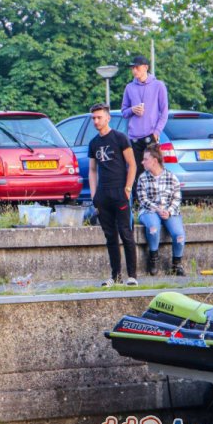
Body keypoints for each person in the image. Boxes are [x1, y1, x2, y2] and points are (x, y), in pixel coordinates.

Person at [87, 103, 138, 287]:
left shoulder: (120, 138)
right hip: (103, 195)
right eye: (93, 118)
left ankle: (132, 276)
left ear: (107, 118)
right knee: (110, 236)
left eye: (99, 117)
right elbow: (92, 170)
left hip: (120, 192)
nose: (96, 121)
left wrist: (128, 188)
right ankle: (115, 276)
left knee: (126, 233)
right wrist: (94, 195)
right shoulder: (93, 143)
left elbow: (132, 164)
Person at [120, 55, 168, 192]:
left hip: (150, 136)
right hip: (134, 138)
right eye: (132, 68)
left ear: (146, 67)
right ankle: (138, 201)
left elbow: (164, 112)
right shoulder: (129, 87)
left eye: (137, 67)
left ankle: (158, 198)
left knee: (154, 170)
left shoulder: (158, 85)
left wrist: (156, 132)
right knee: (136, 172)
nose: (134, 71)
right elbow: (124, 112)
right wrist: (132, 110)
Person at [136, 144, 186, 276]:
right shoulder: (142, 178)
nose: (142, 162)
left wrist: (169, 211)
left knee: (179, 234)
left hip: (169, 211)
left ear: (154, 161)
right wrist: (157, 209)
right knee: (153, 228)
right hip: (150, 211)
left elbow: (177, 198)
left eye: (145, 159)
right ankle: (154, 258)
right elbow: (143, 199)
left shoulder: (171, 177)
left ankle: (177, 264)